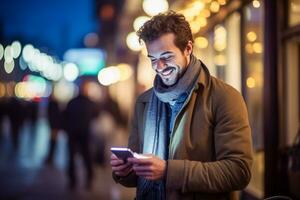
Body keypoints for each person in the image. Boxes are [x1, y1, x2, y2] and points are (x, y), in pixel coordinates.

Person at [110, 11, 253, 200]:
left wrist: (169, 171)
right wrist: (125, 170)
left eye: (167, 56)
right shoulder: (143, 102)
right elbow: (138, 175)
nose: (159, 66)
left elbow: (238, 172)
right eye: (153, 59)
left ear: (188, 48)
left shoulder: (225, 97)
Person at [64, 81, 98, 189]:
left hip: (72, 133)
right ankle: (89, 179)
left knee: (71, 157)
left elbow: (65, 115)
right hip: (85, 133)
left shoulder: (71, 102)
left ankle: (72, 181)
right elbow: (96, 115)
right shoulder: (90, 103)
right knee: (87, 156)